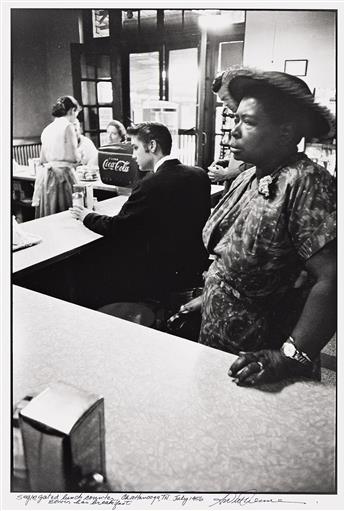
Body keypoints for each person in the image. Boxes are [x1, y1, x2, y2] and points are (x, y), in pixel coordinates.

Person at [180, 67, 336, 386]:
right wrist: (210, 297)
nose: (233, 132)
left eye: (248, 122)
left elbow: (333, 278)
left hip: (263, 358)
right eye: (235, 119)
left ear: (287, 132)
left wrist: (290, 357)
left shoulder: (305, 182)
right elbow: (231, 257)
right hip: (221, 337)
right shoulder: (249, 176)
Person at [69, 122, 211, 307]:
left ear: (152, 146)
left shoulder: (150, 184)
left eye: (135, 148)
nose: (133, 156)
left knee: (94, 266)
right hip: (194, 266)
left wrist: (86, 215)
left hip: (162, 273)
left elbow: (117, 227)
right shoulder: (199, 174)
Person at [32, 95, 81, 217]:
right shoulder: (68, 126)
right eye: (76, 113)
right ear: (72, 110)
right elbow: (74, 158)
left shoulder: (47, 129)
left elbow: (43, 159)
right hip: (63, 177)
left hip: (47, 178)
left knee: (51, 214)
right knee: (67, 214)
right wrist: (79, 155)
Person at [208, 70, 252, 192]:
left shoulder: (256, 122)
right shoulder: (239, 119)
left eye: (226, 99)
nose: (225, 105)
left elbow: (262, 159)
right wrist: (226, 162)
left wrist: (227, 173)